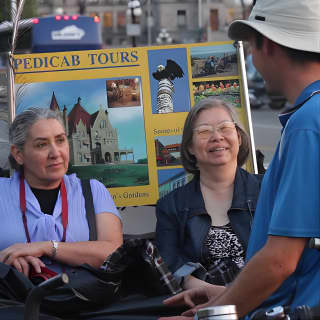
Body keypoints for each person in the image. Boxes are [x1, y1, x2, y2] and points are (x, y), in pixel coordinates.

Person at [160, 0, 320, 319]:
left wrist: (215, 313)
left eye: (250, 45)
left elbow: (280, 261)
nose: (250, 58)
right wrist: (227, 293)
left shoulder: (306, 125)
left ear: (268, 45)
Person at [0, 108, 123, 277]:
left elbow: (114, 254)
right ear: (18, 154)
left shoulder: (93, 191)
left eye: (60, 140)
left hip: (84, 300)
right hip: (15, 301)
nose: (56, 153)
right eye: (41, 144)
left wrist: (48, 247)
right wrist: (4, 261)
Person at [156, 98, 262, 291]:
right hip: (204, 305)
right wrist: (214, 294)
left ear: (238, 137)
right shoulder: (171, 206)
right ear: (190, 146)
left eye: (225, 128)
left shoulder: (268, 189)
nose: (217, 137)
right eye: (204, 131)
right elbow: (170, 266)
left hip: (267, 299)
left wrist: (240, 297)